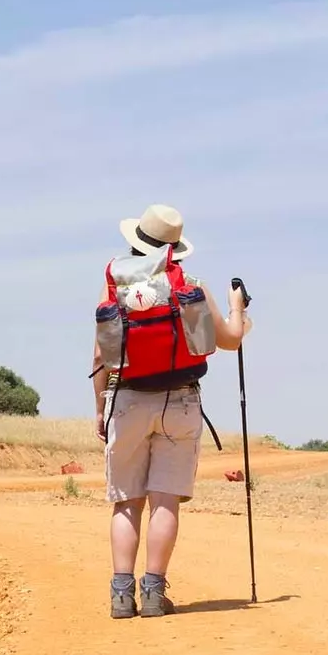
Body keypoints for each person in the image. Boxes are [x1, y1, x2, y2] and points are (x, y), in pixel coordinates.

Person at [92, 204, 251, 619]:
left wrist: (100, 409)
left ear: (135, 242)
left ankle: (121, 595)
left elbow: (101, 358)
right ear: (176, 249)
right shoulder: (191, 287)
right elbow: (231, 339)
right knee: (166, 499)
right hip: (180, 400)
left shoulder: (114, 290)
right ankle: (153, 593)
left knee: (127, 502)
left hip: (127, 400)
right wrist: (239, 308)